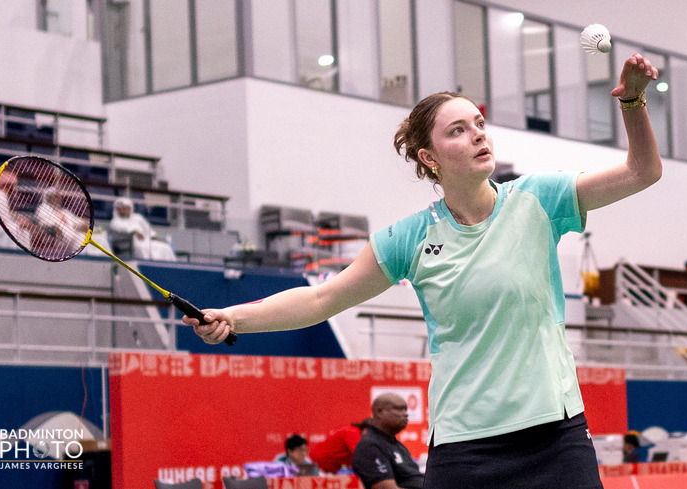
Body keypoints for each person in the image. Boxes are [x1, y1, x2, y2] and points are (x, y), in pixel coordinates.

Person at [185, 52, 661, 488]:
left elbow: (642, 172)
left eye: (478, 122)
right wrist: (233, 317)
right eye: (457, 130)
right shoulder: (409, 239)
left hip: (555, 439)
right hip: (464, 447)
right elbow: (320, 299)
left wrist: (634, 101)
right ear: (429, 159)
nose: (477, 133)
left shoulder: (539, 199)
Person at [351, 394, 424, 489]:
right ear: (379, 412)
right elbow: (386, 488)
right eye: (398, 409)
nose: (405, 414)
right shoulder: (369, 446)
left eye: (405, 410)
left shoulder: (398, 446)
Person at [110, 197, 176, 261]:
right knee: (143, 249)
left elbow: (148, 229)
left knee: (165, 247)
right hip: (129, 246)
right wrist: (134, 231)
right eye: (119, 209)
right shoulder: (115, 221)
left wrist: (153, 236)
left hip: (145, 242)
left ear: (130, 209)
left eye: (124, 209)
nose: (122, 211)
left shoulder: (138, 218)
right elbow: (121, 228)